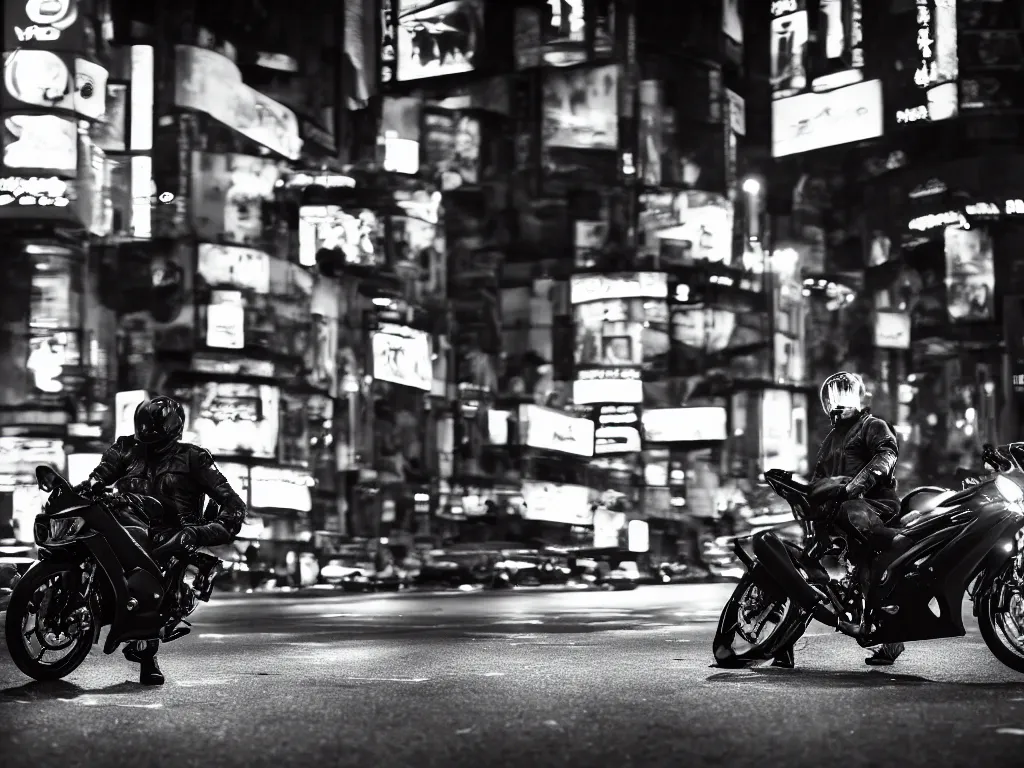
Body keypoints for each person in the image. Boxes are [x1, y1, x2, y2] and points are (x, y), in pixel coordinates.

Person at [74, 396, 246, 686]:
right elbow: (98, 478)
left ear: (173, 428)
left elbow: (234, 507)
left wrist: (196, 534)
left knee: (157, 583)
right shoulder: (125, 448)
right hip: (124, 527)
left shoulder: (194, 458)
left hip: (169, 539)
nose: (150, 439)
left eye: (156, 431)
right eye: (146, 431)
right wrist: (82, 491)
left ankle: (147, 653)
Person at [773, 371, 910, 670]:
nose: (840, 402)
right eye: (835, 397)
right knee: (804, 577)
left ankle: (888, 638)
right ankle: (782, 646)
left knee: (870, 571)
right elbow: (818, 483)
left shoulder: (872, 426)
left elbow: (886, 455)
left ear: (858, 398)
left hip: (871, 510)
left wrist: (854, 487)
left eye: (846, 395)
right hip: (834, 518)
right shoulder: (830, 441)